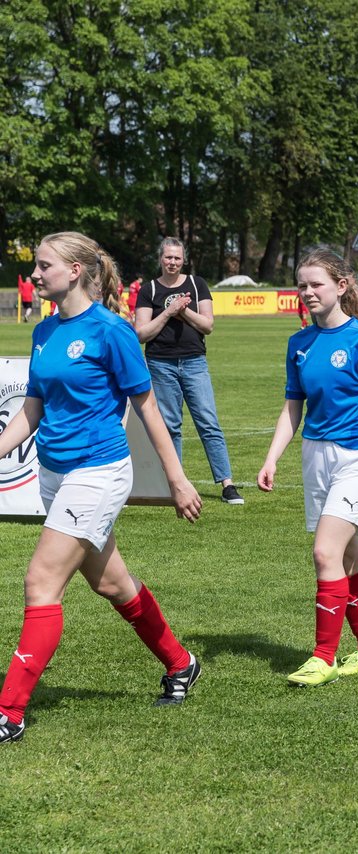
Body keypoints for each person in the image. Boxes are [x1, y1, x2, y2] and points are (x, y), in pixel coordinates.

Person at [0, 232, 204, 744]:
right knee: (112, 585)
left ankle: (9, 713)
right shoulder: (44, 332)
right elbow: (33, 408)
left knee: (40, 582)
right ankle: (182, 663)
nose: (35, 275)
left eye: (44, 266)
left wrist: (178, 480)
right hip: (54, 474)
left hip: (99, 473)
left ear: (73, 272)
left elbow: (148, 407)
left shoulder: (111, 331)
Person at [257, 250, 358, 686]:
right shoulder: (298, 343)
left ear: (341, 286)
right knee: (348, 556)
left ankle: (323, 656)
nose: (307, 293)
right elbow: (292, 408)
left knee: (325, 552)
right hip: (314, 457)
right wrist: (271, 457)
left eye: (316, 284)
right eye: (302, 285)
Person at [133, 237, 243, 505]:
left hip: (194, 362)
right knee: (170, 426)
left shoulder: (197, 284)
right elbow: (141, 333)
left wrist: (185, 313)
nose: (172, 262)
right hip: (161, 364)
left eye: (177, 258)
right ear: (160, 259)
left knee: (208, 422)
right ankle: (177, 484)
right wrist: (169, 312)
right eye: (168, 257)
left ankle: (227, 484)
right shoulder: (148, 290)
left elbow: (207, 325)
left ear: (184, 260)